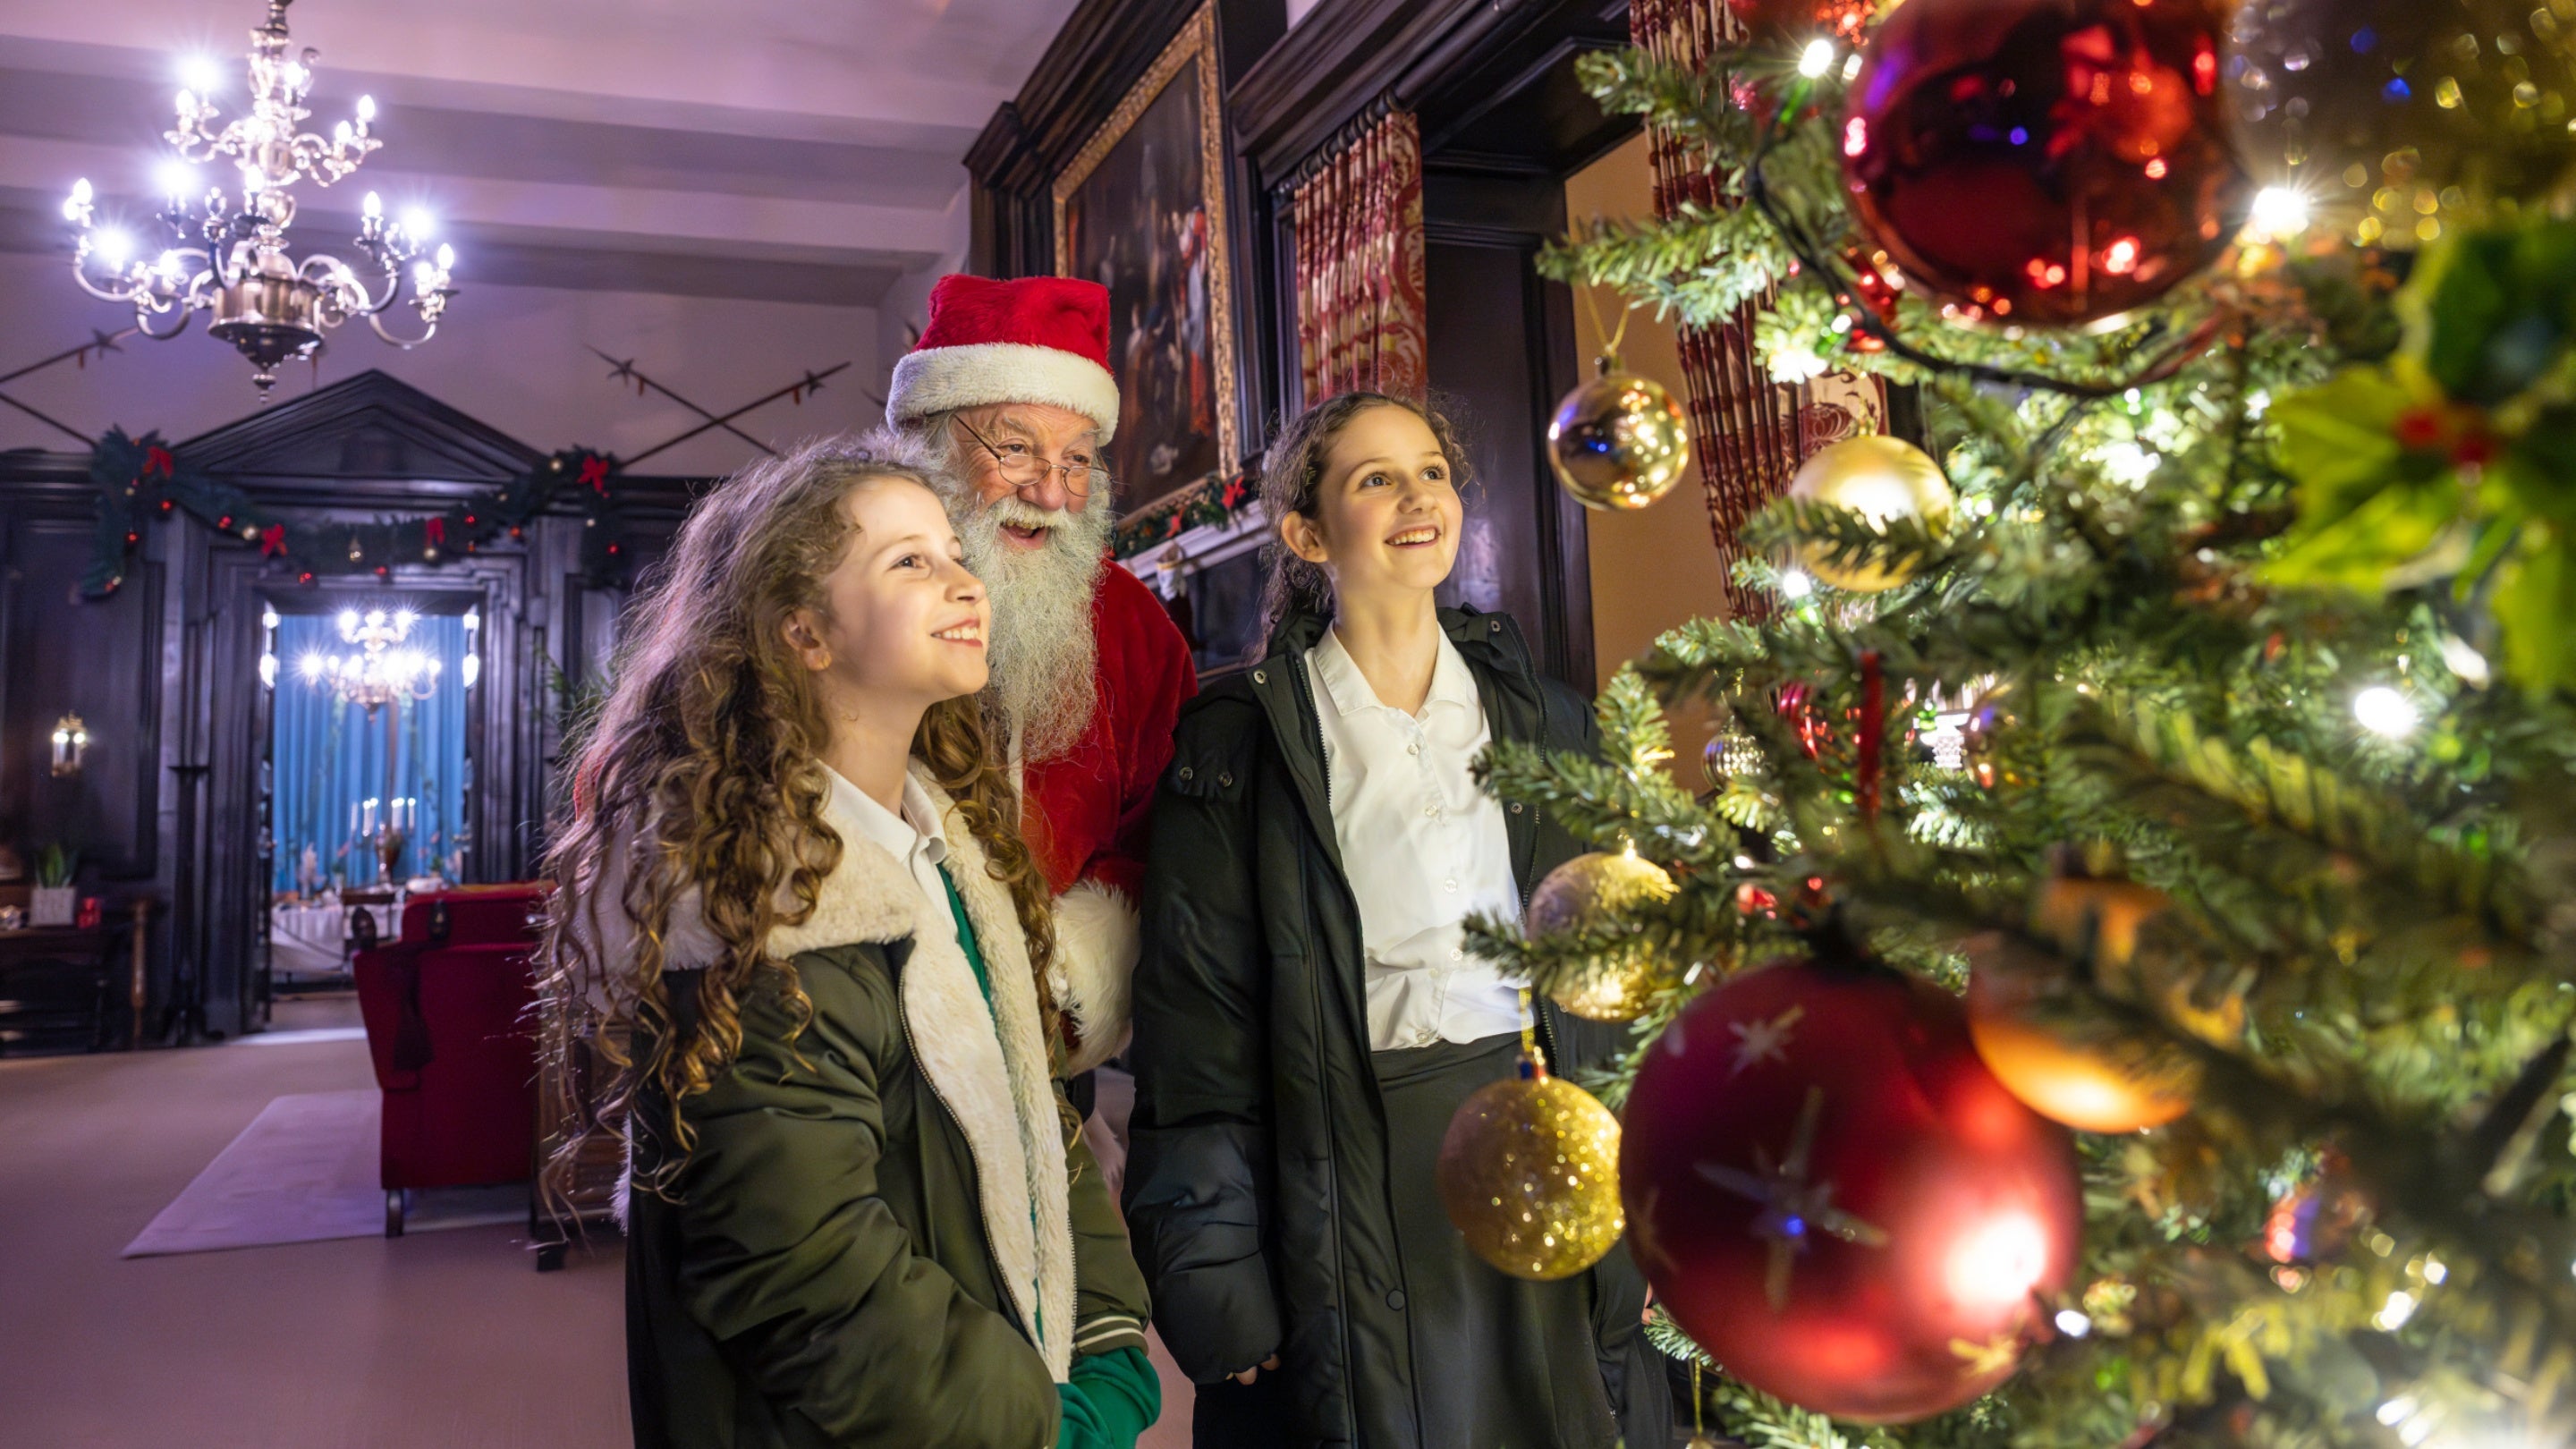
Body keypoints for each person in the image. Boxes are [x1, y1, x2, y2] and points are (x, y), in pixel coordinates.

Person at [538, 433, 1159, 1449]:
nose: (965, 581)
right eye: (910, 562)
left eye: (955, 553)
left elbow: (1038, 1118)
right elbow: (806, 1275)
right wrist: (1035, 1422)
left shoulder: (950, 852)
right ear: (803, 634)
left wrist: (1106, 1340)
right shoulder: (754, 906)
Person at [1122, 392, 1668, 1449]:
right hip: (1356, 1165)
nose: (1419, 497)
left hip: (1545, 1140)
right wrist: (1218, 1285)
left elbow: (1613, 986)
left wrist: (1641, 1223)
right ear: (1308, 533)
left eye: (1431, 471)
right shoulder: (1241, 749)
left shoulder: (1550, 720)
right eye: (1375, 478)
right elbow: (1197, 1034)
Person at [886, 273, 1199, 1084]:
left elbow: (1167, 832)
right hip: (857, 1045)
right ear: (927, 440)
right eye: (1016, 447)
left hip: (1049, 1049)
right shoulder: (840, 581)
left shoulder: (1135, 628)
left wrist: (1087, 957)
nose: (1050, 491)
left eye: (1079, 460)